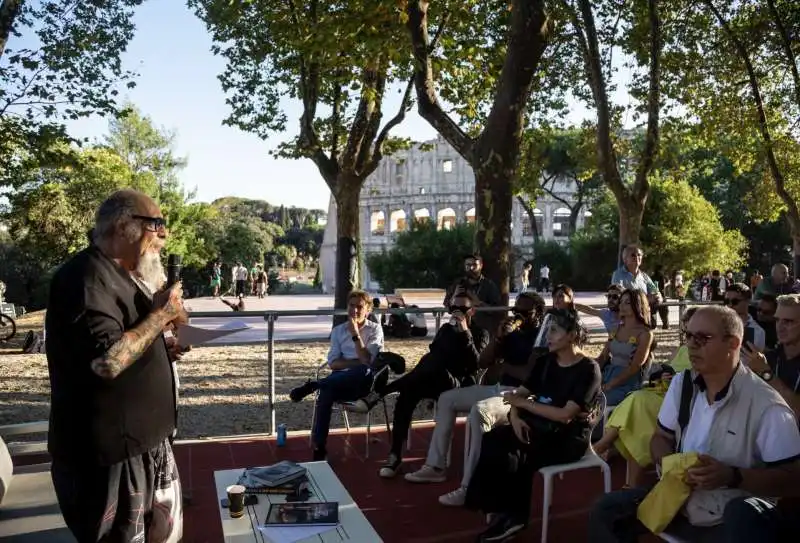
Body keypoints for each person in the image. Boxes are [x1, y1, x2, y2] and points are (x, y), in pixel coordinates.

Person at [588, 305, 800, 543]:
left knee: (741, 514)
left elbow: (792, 479)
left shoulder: (767, 406)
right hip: (679, 499)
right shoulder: (682, 384)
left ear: (733, 344)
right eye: (688, 336)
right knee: (606, 510)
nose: (691, 344)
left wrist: (731, 476)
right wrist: (669, 462)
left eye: (702, 338)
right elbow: (661, 437)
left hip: (729, 517)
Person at [46, 189, 185, 542]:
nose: (164, 233)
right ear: (124, 227)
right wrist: (161, 316)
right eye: (156, 223)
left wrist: (159, 347)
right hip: (110, 460)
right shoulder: (84, 280)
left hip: (146, 446)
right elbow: (106, 362)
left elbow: (125, 342)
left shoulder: (121, 275)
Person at [465, 309, 601, 541]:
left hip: (567, 438)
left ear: (571, 335)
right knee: (496, 437)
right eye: (547, 330)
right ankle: (499, 509)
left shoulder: (588, 369)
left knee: (518, 451)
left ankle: (513, 517)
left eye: (554, 330)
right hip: (537, 426)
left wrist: (523, 406)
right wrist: (516, 417)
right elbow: (519, 395)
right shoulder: (546, 361)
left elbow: (565, 415)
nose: (548, 335)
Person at [402, 293, 546, 506]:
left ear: (538, 314)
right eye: (516, 310)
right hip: (499, 388)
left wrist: (505, 366)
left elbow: (528, 375)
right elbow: (483, 362)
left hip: (522, 396)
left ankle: (469, 487)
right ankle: (436, 466)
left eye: (525, 312)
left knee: (480, 411)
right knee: (446, 399)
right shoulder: (512, 334)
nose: (518, 315)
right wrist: (499, 338)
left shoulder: (542, 338)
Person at [355, 291, 489, 478]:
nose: (457, 312)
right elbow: (435, 353)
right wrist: (450, 336)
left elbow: (475, 364)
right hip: (434, 379)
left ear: (472, 311)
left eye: (462, 309)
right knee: (409, 391)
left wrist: (464, 333)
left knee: (430, 363)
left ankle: (379, 393)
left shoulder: (480, 333)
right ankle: (395, 456)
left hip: (460, 384)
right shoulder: (445, 330)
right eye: (453, 308)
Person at [288, 290, 383, 461]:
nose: (354, 310)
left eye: (359, 307)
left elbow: (367, 360)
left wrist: (355, 334)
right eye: (351, 306)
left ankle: (315, 384)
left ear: (368, 310)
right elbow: (333, 363)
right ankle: (320, 447)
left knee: (363, 370)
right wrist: (356, 362)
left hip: (362, 385)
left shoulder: (375, 330)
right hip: (338, 381)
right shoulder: (338, 331)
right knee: (326, 395)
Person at [742, 294, 800, 420]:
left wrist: (765, 373)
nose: (780, 327)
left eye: (788, 321)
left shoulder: (764, 365)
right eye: (777, 320)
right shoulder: (769, 358)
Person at [596, 289, 654, 406]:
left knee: (599, 401)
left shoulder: (645, 334)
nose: (622, 305)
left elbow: (635, 367)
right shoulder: (615, 329)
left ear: (638, 304)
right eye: (621, 302)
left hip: (627, 380)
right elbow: (603, 356)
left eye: (627, 302)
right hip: (608, 374)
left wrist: (611, 384)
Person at [443, 254, 502, 333]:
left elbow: (497, 310)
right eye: (468, 265)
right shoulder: (457, 283)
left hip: (481, 330)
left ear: (481, 265)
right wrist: (454, 296)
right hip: (459, 329)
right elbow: (447, 305)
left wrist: (479, 303)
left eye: (474, 265)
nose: (471, 268)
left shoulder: (489, 285)